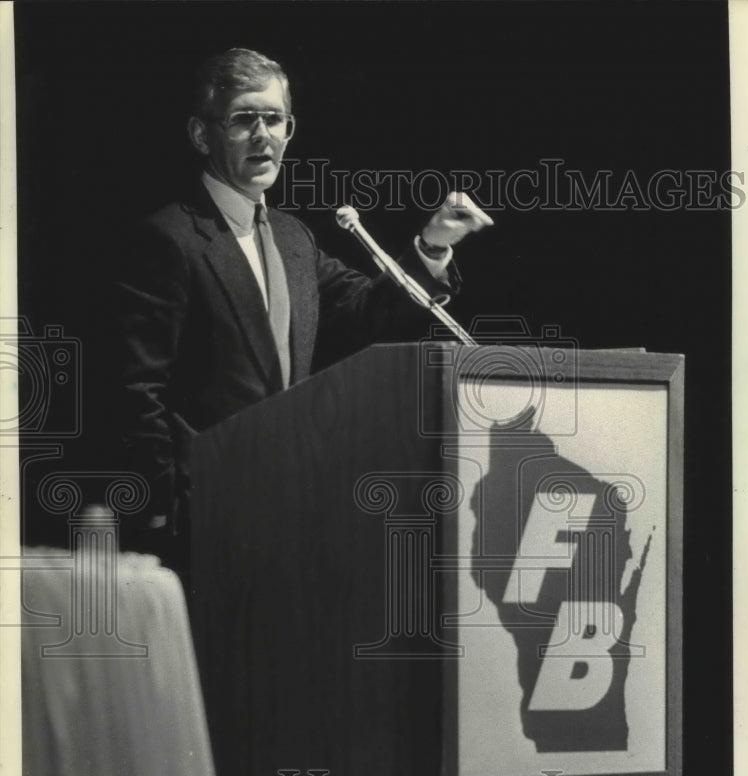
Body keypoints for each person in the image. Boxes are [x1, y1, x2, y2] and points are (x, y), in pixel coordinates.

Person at [106, 47, 492, 565]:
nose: (262, 134)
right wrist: (160, 507)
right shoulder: (169, 239)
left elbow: (368, 313)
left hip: (293, 503)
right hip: (200, 513)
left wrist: (433, 244)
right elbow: (137, 391)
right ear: (202, 134)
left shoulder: (292, 239)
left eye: (274, 119)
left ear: (291, 129)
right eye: (244, 119)